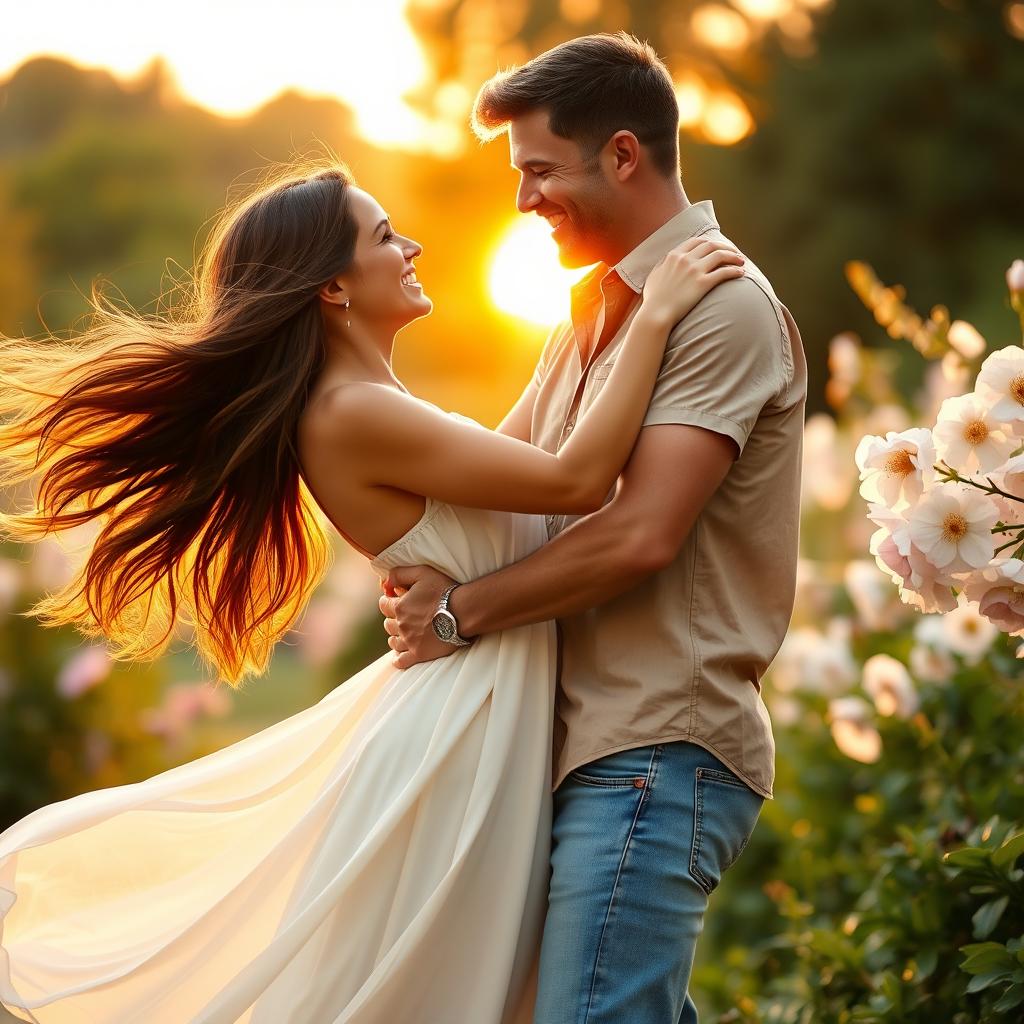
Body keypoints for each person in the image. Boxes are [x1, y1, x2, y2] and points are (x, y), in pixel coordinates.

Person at [0, 152, 743, 1023]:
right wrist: (655, 316)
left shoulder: (373, 401)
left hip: (478, 709)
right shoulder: (354, 411)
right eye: (386, 236)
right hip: (461, 729)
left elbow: (528, 466)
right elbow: (575, 480)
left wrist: (597, 320)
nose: (413, 246)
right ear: (333, 289)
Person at [379, 32, 809, 1024]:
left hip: (657, 743)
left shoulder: (723, 308)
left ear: (622, 154)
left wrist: (459, 614)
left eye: (538, 170)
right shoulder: (589, 313)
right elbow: (503, 487)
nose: (523, 200)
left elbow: (639, 533)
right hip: (582, 748)